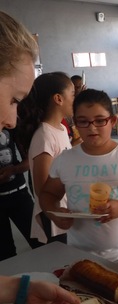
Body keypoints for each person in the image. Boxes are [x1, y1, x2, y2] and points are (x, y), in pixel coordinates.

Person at [0, 10, 105, 304]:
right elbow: (44, 187)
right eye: (13, 99)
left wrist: (18, 288)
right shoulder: (45, 136)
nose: (13, 121)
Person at [39, 89, 118, 266]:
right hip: (78, 254)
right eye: (83, 121)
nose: (92, 127)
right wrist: (54, 214)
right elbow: (48, 194)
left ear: (112, 121)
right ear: (75, 123)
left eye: (99, 120)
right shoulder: (65, 160)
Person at [17, 72, 74, 245]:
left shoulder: (61, 129)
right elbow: (43, 190)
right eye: (72, 94)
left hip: (64, 208)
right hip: (54, 214)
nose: (75, 99)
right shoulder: (44, 136)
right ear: (58, 98)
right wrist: (56, 212)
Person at [0, 128, 44, 260]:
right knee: (5, 255)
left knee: (41, 243)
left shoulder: (10, 125)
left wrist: (13, 170)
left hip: (19, 196)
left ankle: (50, 279)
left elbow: (30, 160)